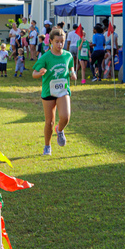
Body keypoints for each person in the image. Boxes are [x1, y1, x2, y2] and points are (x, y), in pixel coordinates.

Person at [32, 27, 76, 156]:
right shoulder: (46, 57)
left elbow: (71, 67)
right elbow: (34, 73)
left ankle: (60, 129)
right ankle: (47, 146)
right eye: (57, 41)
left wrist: (72, 73)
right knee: (49, 122)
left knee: (65, 116)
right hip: (49, 92)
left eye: (62, 42)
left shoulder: (68, 55)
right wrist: (40, 73)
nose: (60, 44)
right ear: (51, 41)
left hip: (63, 90)